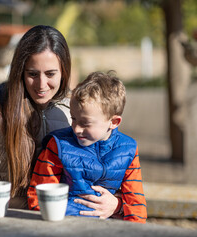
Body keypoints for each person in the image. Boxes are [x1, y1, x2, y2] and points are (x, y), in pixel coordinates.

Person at [0, 25, 122, 217]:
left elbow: (116, 168)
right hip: (3, 226)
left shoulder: (75, 113)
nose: (41, 85)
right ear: (19, 72)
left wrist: (116, 203)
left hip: (62, 225)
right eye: (32, 74)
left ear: (64, 72)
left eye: (50, 74)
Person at [27, 71, 147, 223]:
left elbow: (136, 203)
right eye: (74, 118)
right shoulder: (59, 145)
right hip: (65, 222)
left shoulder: (128, 150)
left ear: (114, 122)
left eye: (85, 123)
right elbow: (40, 195)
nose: (76, 128)